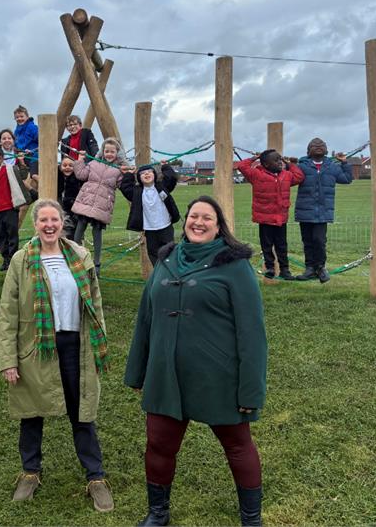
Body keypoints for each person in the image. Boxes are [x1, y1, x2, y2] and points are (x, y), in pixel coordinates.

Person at [124, 195, 267, 527]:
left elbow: (252, 332)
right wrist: (139, 372)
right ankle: (158, 512)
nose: (198, 222)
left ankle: (251, 519)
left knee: (238, 445)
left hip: (219, 377)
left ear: (218, 227)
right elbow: (146, 317)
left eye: (207, 218)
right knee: (159, 444)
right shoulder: (166, 260)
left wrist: (250, 390)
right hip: (166, 375)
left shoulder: (235, 266)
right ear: (185, 221)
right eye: (193, 216)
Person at [0, 199, 114, 513]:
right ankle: (30, 472)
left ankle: (96, 477)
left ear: (62, 223)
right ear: (35, 224)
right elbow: (8, 312)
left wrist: (99, 344)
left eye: (55, 220)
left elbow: (95, 303)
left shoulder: (79, 255)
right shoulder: (22, 260)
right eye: (43, 220)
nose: (49, 226)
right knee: (31, 412)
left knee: (82, 413)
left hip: (76, 345)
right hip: (37, 346)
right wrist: (9, 359)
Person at [235, 149, 305, 280]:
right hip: (265, 218)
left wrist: (288, 163)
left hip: (281, 218)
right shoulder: (257, 175)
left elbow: (299, 176)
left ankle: (285, 270)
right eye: (276, 160)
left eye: (280, 159)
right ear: (266, 164)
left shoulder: (286, 175)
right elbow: (241, 166)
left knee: (282, 246)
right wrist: (255, 158)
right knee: (266, 246)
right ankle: (270, 268)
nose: (280, 162)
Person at [293, 138, 352, 283]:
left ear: (326, 150)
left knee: (319, 240)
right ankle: (309, 268)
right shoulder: (302, 166)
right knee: (307, 241)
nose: (318, 147)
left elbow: (347, 179)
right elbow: (292, 180)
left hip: (323, 211)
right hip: (305, 210)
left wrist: (344, 163)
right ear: (309, 151)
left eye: (322, 145)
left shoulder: (332, 166)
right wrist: (291, 166)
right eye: (315, 146)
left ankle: (320, 267)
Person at [71, 137, 129, 272]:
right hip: (87, 199)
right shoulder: (93, 163)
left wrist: (129, 174)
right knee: (80, 227)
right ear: (102, 152)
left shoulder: (119, 170)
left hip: (102, 203)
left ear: (117, 153)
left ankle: (97, 262)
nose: (109, 154)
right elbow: (81, 175)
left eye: (112, 152)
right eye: (106, 151)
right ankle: (74, 256)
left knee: (97, 231)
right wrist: (80, 160)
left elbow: (123, 185)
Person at [120, 161, 180, 266]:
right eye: (143, 173)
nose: (146, 174)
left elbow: (171, 178)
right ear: (139, 178)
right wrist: (129, 174)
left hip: (166, 226)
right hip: (150, 230)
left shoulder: (162, 186)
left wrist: (165, 167)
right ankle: (158, 272)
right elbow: (125, 188)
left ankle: (171, 272)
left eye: (149, 172)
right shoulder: (137, 192)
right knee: (153, 254)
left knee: (169, 253)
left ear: (155, 174)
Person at [57, 157, 84, 240]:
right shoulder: (59, 177)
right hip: (63, 207)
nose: (67, 167)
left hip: (75, 207)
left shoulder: (77, 178)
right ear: (60, 167)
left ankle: (77, 242)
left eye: (70, 165)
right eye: (64, 165)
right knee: (65, 228)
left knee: (76, 228)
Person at [14, 105, 39, 182]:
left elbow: (41, 140)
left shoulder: (32, 127)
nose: (19, 119)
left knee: (33, 175)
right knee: (18, 176)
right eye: (17, 117)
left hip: (33, 155)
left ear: (27, 117)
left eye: (22, 116)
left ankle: (45, 184)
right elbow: (15, 144)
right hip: (22, 156)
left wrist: (32, 150)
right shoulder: (16, 131)